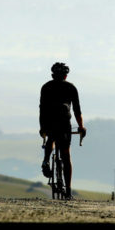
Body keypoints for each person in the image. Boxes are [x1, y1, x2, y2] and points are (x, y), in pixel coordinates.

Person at [39, 61, 85, 199]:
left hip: (49, 121)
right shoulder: (71, 87)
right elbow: (77, 110)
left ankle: (46, 160)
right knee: (66, 156)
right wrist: (81, 126)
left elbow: (42, 109)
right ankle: (69, 191)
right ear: (65, 76)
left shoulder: (46, 87)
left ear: (53, 75)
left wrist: (42, 128)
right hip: (64, 122)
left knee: (51, 138)